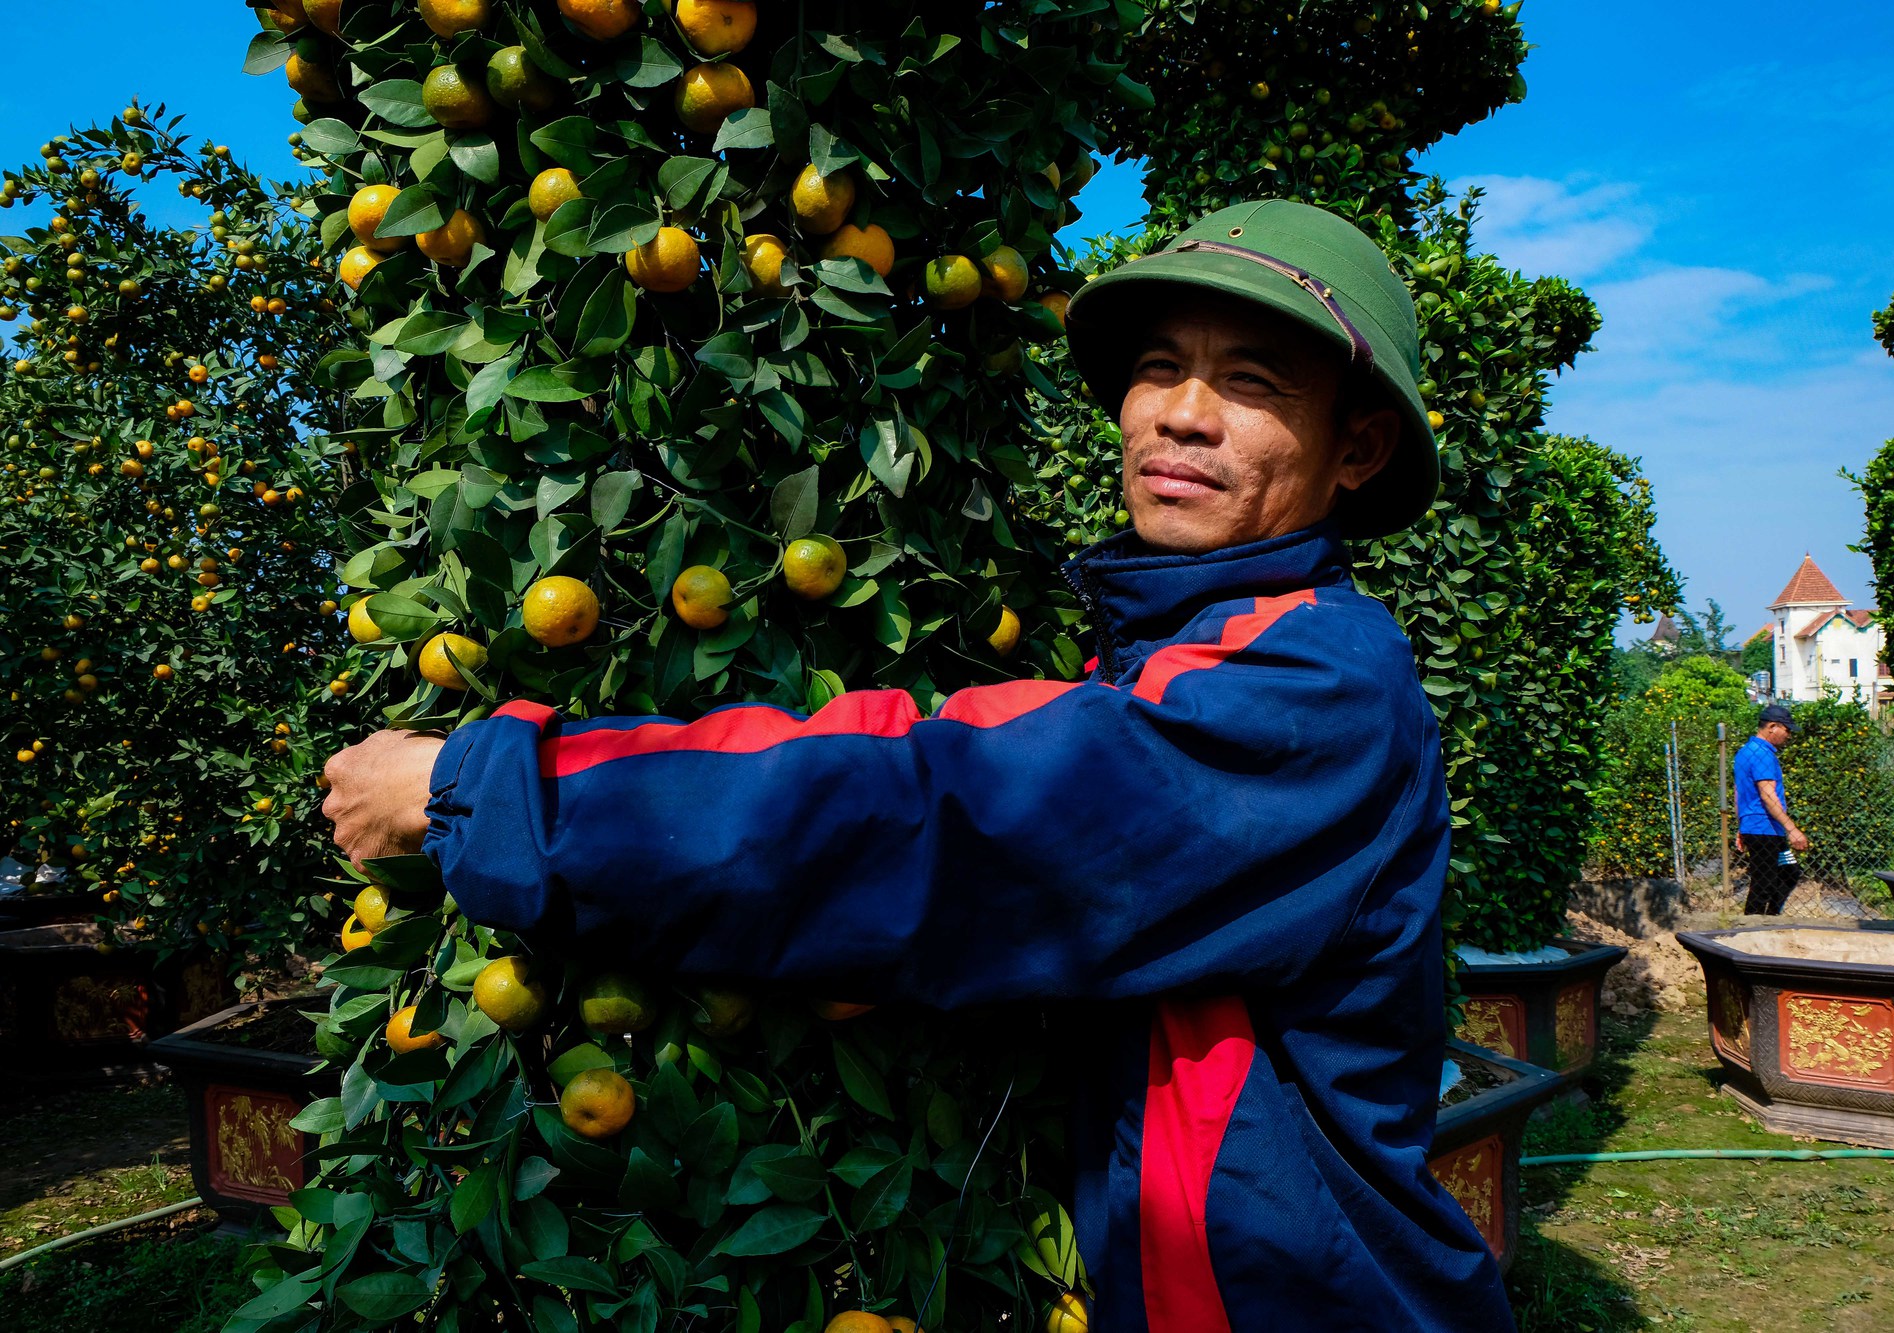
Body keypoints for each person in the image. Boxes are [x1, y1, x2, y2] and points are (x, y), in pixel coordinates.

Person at [322, 200, 1516, 1331]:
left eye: (1250, 382)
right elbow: (935, 751)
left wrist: (478, 791)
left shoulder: (1314, 689)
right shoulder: (1181, 667)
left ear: (1354, 448)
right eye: (1158, 367)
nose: (1180, 413)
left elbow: (940, 827)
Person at [1735, 703, 1809, 915]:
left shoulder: (1745, 752)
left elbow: (1739, 792)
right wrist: (1792, 830)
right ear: (1772, 727)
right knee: (1764, 882)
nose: (1789, 735)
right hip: (1764, 828)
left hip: (1758, 827)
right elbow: (1768, 795)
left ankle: (1770, 917)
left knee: (1788, 872)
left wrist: (1742, 825)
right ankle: (1753, 927)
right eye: (1786, 730)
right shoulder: (1762, 754)